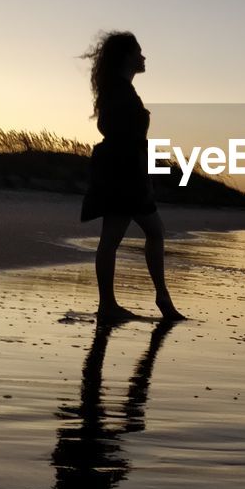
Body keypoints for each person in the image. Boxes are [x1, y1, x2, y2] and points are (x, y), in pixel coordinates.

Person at [80, 31, 184, 321]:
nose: (143, 56)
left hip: (120, 167)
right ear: (127, 56)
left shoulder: (117, 88)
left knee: (130, 235)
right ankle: (143, 301)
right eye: (139, 51)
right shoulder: (118, 89)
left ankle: (121, 303)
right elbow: (115, 129)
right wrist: (140, 163)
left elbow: (112, 127)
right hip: (124, 170)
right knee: (141, 233)